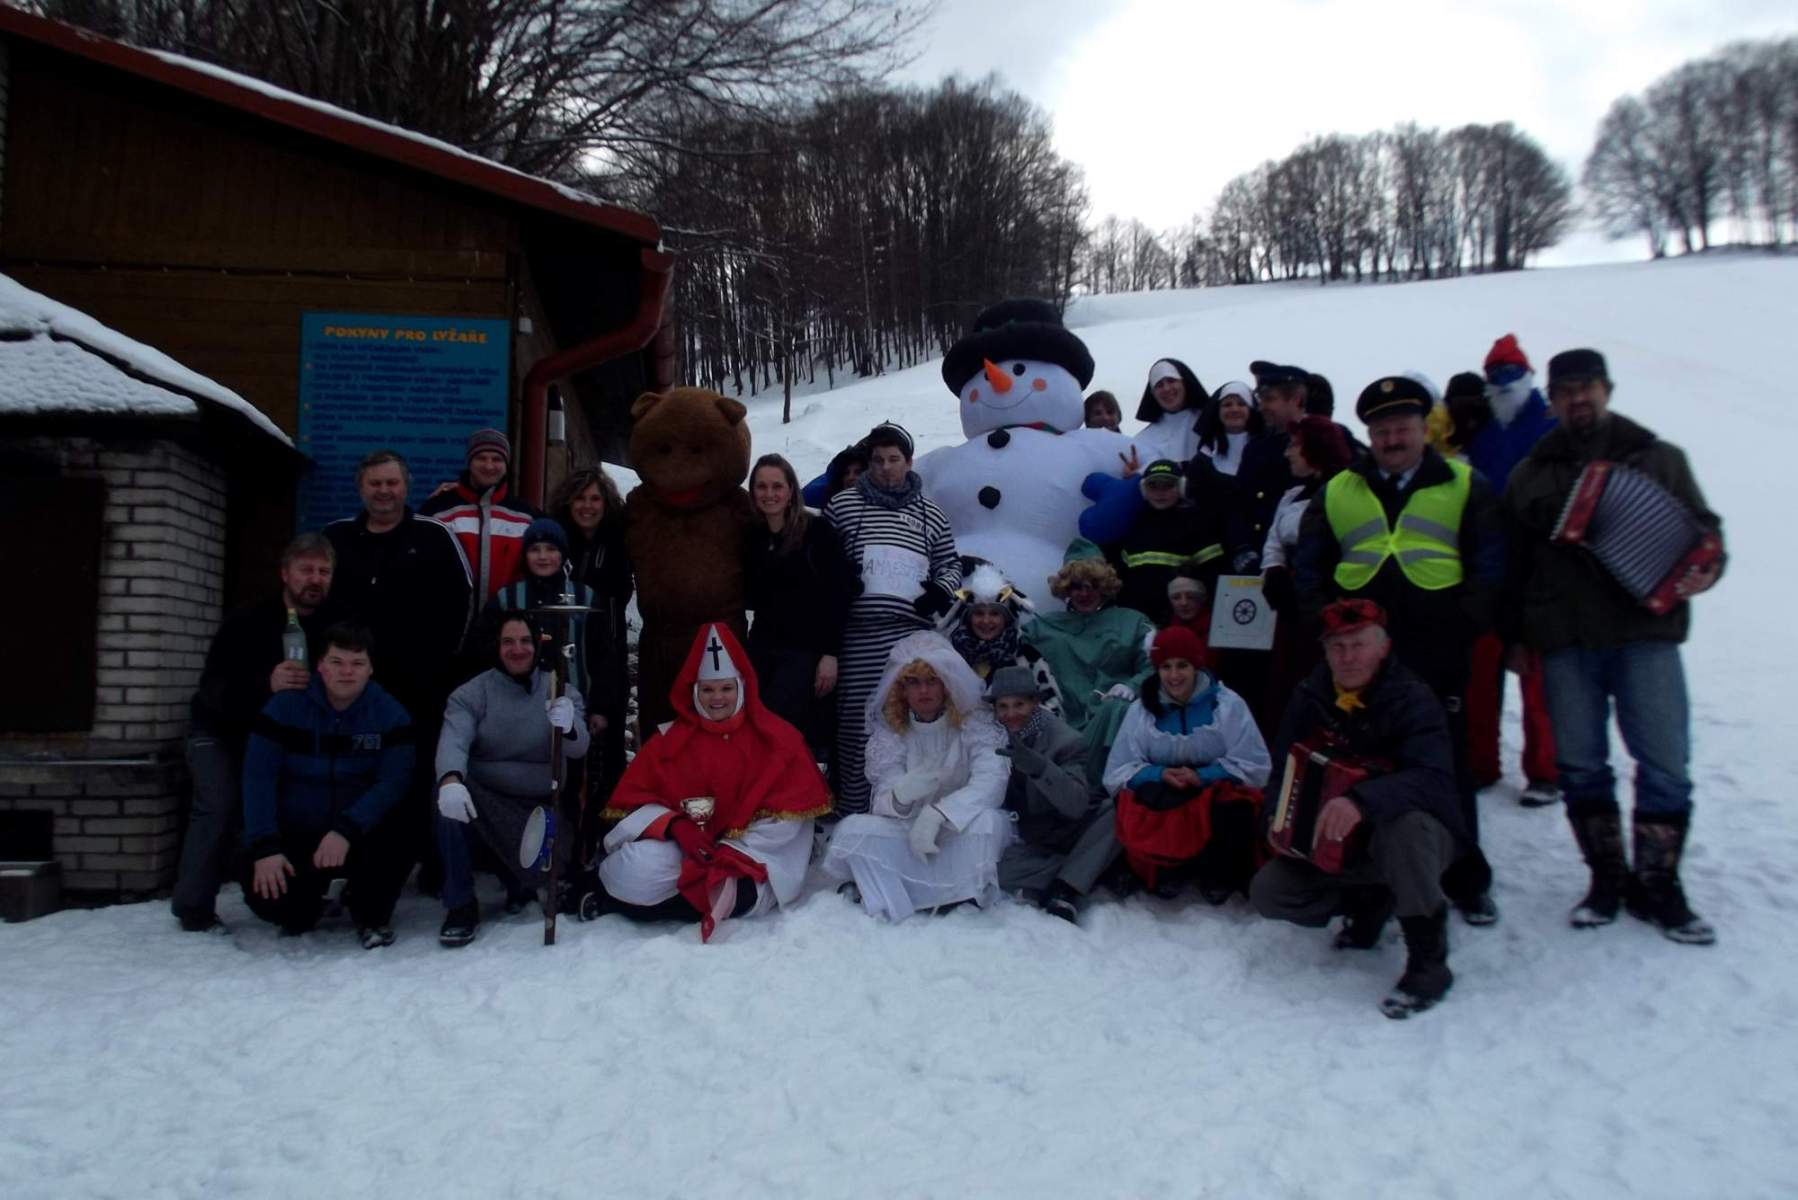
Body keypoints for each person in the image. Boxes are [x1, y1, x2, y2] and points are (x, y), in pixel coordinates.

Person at [1502, 348, 1723, 944]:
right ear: (1550, 401)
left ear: (1607, 390)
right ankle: (1606, 878)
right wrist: (1515, 638)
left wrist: (1708, 567)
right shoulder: (1530, 474)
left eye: (1588, 387)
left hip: (1645, 634)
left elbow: (1704, 531)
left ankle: (1660, 884)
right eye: (1566, 391)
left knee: (1665, 761)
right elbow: (1513, 567)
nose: (1578, 399)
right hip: (1565, 639)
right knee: (1579, 763)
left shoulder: (1659, 458)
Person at [1293, 375, 1504, 926]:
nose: (1392, 439)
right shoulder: (1338, 489)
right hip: (1358, 657)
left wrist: (1465, 623)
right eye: (1381, 430)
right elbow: (1308, 566)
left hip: (1436, 647)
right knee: (1359, 763)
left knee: (1446, 761)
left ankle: (1464, 877)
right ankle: (1371, 886)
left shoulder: (1465, 483)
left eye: (1402, 428)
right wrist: (1325, 626)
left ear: (1423, 429)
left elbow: (1490, 563)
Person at [1249, 599, 1465, 1019]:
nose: (1347, 657)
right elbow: (1282, 770)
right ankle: (1368, 901)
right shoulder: (1309, 695)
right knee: (1270, 892)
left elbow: (1434, 779)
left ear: (1383, 647)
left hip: (1412, 839)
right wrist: (1276, 820)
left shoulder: (1413, 698)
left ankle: (1428, 960)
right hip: (1335, 845)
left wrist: (1362, 801)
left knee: (1407, 829)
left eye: (1358, 645)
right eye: (1337, 647)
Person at [594, 623, 830, 939]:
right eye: (708, 690)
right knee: (635, 868)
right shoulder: (668, 741)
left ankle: (656, 906)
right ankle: (701, 899)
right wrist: (675, 826)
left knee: (747, 890)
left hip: (748, 855)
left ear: (741, 688)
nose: (717, 698)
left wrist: (730, 853)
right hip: (686, 850)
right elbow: (635, 804)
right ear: (695, 692)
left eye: (726, 688)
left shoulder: (778, 740)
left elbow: (788, 823)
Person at [171, 533, 344, 932]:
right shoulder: (247, 621)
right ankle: (193, 907)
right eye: (306, 570)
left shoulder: (334, 624)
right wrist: (266, 683)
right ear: (285, 573)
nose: (315, 579)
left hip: (283, 740)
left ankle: (298, 894)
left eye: (323, 571)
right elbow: (214, 690)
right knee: (220, 802)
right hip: (222, 732)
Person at [324, 449, 473, 892]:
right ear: (360, 488)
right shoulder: (335, 539)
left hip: (420, 686)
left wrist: (440, 662)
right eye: (375, 483)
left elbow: (463, 603)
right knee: (354, 774)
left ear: (406, 487)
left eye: (392, 483)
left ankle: (428, 861)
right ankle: (350, 863)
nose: (384, 492)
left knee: (419, 773)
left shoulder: (434, 536)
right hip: (351, 689)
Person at [239, 622, 415, 947]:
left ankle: (369, 911)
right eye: (337, 662)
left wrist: (346, 829)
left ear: (371, 668)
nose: (347, 672)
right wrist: (265, 847)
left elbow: (393, 782)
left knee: (404, 825)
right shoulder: (284, 708)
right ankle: (313, 900)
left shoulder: (391, 715)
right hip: (298, 831)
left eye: (357, 663)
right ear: (320, 665)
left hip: (357, 833)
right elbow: (258, 778)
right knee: (282, 908)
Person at [822, 632, 1011, 920]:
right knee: (852, 830)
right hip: (908, 832)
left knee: (989, 822)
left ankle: (955, 894)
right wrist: (901, 796)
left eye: (932, 681)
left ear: (946, 684)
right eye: (913, 682)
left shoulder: (974, 722)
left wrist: (940, 814)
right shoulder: (890, 733)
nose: (924, 690)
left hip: (958, 827)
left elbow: (991, 781)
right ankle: (909, 893)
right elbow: (882, 798)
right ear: (901, 689)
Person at [824, 421, 962, 814]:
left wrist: (940, 590)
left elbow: (950, 563)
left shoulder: (931, 513)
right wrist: (841, 577)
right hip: (858, 634)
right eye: (878, 460)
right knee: (856, 724)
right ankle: (854, 810)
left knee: (904, 718)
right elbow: (822, 558)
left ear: (909, 462)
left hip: (909, 636)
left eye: (893, 459)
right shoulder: (843, 505)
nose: (886, 467)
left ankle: (904, 808)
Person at [433, 613, 586, 947]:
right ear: (496, 646)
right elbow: (454, 740)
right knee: (448, 799)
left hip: (541, 806)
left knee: (551, 866)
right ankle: (460, 905)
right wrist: (450, 779)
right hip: (487, 802)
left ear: (537, 645)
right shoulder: (471, 694)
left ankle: (521, 880)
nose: (517, 650)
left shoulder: (560, 689)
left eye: (525, 641)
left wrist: (570, 726)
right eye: (508, 642)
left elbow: (579, 749)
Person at [1103, 625, 1270, 902]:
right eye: (1166, 667)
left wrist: (1204, 776)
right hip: (1165, 791)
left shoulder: (1227, 706)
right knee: (1138, 802)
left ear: (1196, 666)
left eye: (1182, 665)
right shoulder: (1142, 711)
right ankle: (1165, 870)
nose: (1174, 675)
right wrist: (1158, 773)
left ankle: (1220, 873)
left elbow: (1254, 765)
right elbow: (1118, 770)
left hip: (1211, 790)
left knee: (1236, 806)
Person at [1465, 335, 1561, 806]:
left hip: (1537, 570)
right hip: (1489, 567)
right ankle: (1480, 762)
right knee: (1482, 672)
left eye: (1511, 372)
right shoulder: (1482, 429)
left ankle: (1545, 771)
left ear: (1527, 375)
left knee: (1537, 676)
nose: (1503, 382)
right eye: (1495, 374)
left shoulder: (1549, 425)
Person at [744, 453, 855, 760]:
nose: (769, 494)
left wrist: (830, 654)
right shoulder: (753, 537)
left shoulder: (816, 531)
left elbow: (838, 594)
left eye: (777, 486)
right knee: (762, 733)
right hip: (763, 650)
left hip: (805, 654)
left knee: (791, 735)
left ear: (791, 489)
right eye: (762, 486)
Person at [990, 666, 1118, 924]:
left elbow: (1076, 804)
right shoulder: (990, 736)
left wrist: (1039, 768)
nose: (1011, 714)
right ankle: (1084, 869)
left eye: (1019, 705)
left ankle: (1066, 888)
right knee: (990, 871)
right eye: (1003, 707)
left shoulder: (1065, 740)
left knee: (1118, 813)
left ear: (1035, 703)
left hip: (1071, 828)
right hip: (1027, 839)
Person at [1257, 415, 1355, 737]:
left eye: (1295, 445)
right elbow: (1273, 540)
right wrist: (1273, 571)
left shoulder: (1346, 491)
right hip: (1289, 601)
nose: (1288, 453)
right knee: (1286, 678)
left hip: (1328, 601)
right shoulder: (1292, 495)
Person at [549, 465, 633, 799]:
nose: (587, 506)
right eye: (580, 498)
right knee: (564, 729)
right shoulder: (557, 539)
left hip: (609, 645)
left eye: (595, 498)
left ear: (606, 502)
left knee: (607, 732)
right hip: (564, 647)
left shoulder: (619, 538)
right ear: (568, 502)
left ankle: (607, 811)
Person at [421, 427, 541, 609]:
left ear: (506, 464)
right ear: (469, 462)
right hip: (448, 620)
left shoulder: (526, 516)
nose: (489, 466)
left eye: (497, 459)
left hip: (508, 621)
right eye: (481, 458)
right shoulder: (438, 510)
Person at [1110, 459, 1227, 625]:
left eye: (1167, 485)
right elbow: (1122, 574)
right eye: (1153, 486)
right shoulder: (1136, 523)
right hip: (1137, 620)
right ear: (1144, 490)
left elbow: (1214, 573)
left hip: (1181, 620)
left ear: (1181, 487)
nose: (1160, 492)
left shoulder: (1197, 523)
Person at [941, 559, 1064, 716]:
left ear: (1006, 619)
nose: (986, 621)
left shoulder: (1026, 657)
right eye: (979, 613)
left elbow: (1053, 709)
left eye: (994, 613)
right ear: (968, 618)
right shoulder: (952, 657)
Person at [1224, 361, 1311, 572]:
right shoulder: (1256, 447)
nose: (1262, 406)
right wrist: (1241, 549)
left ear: (1296, 400)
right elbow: (1238, 504)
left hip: (1298, 561)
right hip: (1254, 562)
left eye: (1270, 399)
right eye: (1261, 399)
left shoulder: (1319, 441)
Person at [1131, 359, 1206, 467]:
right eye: (1159, 385)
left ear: (1184, 383)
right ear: (1153, 393)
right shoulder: (1141, 441)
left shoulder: (1209, 423)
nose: (1166, 388)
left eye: (1171, 381)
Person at [1194, 380, 1265, 477]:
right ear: (1218, 412)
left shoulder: (1267, 450)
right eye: (1227, 405)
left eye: (1241, 404)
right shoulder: (1205, 457)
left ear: (1251, 410)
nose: (1234, 409)